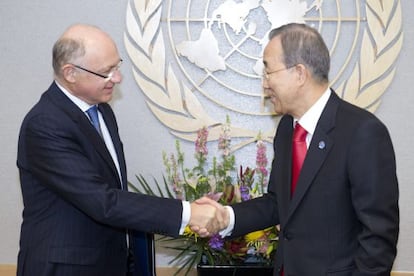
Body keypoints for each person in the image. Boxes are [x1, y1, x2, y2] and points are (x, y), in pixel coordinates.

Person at [16, 23, 225, 276]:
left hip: (108, 262)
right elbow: (103, 201)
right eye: (107, 71)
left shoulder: (102, 110)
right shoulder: (45, 124)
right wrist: (189, 213)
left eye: (117, 66)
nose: (117, 78)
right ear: (70, 73)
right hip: (65, 268)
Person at [197, 23, 399, 275]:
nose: (265, 84)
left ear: (299, 73)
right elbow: (277, 204)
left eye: (268, 72)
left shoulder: (362, 132)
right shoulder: (286, 129)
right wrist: (227, 217)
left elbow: (379, 237)